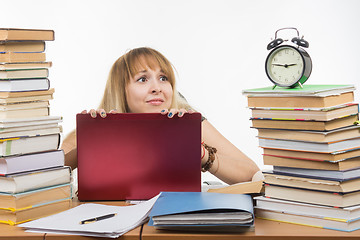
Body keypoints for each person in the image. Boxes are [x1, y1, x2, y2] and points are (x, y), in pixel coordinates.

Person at [61, 47, 261, 185]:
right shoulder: (92, 128)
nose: (157, 88)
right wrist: (90, 143)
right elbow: (44, 181)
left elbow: (253, 175)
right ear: (121, 91)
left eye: (163, 78)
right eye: (142, 79)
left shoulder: (189, 122)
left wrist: (202, 155)